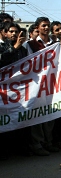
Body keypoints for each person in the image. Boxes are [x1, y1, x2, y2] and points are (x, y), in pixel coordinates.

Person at [25, 17, 59, 156]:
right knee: (37, 113)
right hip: (37, 83)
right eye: (43, 25)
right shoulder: (30, 44)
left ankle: (48, 142)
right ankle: (37, 143)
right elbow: (27, 63)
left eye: (48, 25)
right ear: (37, 27)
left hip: (52, 83)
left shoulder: (55, 43)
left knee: (50, 113)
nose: (46, 28)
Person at [0, 22, 28, 159]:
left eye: (16, 32)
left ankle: (17, 148)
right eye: (11, 31)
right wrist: (14, 47)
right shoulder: (3, 47)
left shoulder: (22, 49)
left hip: (18, 90)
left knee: (18, 117)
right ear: (4, 33)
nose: (14, 34)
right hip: (4, 91)